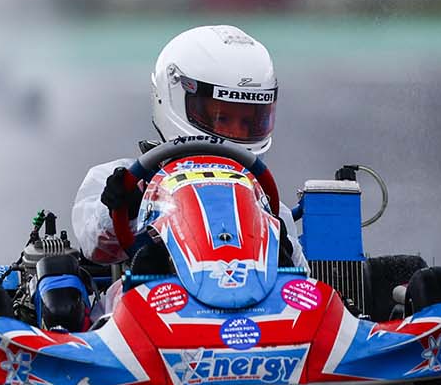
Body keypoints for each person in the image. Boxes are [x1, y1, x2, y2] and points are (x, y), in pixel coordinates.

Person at [70, 24, 306, 270]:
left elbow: (304, 283)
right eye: (222, 118)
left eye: (248, 122)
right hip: (151, 299)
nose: (235, 134)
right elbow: (94, 245)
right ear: (175, 95)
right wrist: (124, 209)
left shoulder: (263, 201)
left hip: (248, 304)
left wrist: (283, 255)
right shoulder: (125, 178)